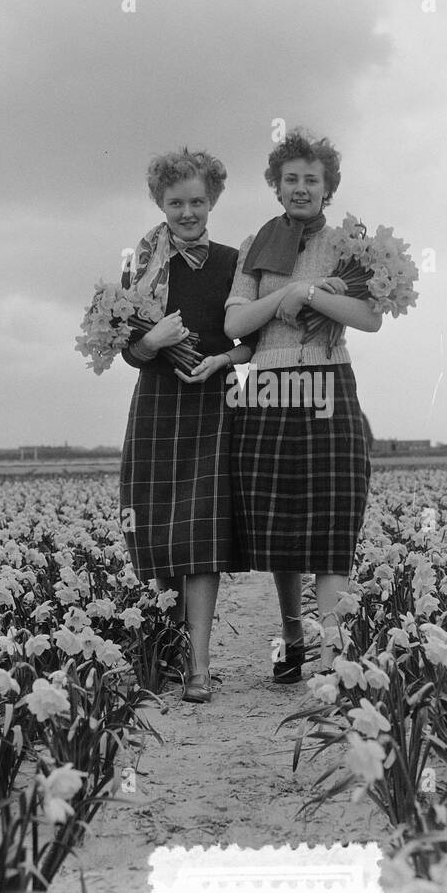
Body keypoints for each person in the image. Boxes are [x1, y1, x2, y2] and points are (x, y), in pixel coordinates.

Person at [224, 130, 382, 683]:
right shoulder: (255, 245)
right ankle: (293, 639)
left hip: (328, 384)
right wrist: (283, 296)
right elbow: (235, 324)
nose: (300, 188)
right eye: (290, 179)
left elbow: (368, 318)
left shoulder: (347, 243)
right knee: (282, 528)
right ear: (276, 184)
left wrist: (311, 293)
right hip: (268, 389)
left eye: (311, 180)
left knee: (333, 527)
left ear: (328, 187)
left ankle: (336, 661)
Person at [119, 148, 255, 703]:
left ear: (213, 200)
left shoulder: (234, 262)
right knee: (159, 533)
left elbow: (254, 340)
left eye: (197, 200)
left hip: (213, 406)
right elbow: (128, 349)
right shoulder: (143, 264)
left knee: (201, 534)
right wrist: (152, 342)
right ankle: (172, 653)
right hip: (157, 402)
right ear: (160, 203)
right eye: (176, 202)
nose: (187, 211)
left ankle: (199, 666)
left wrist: (222, 360)